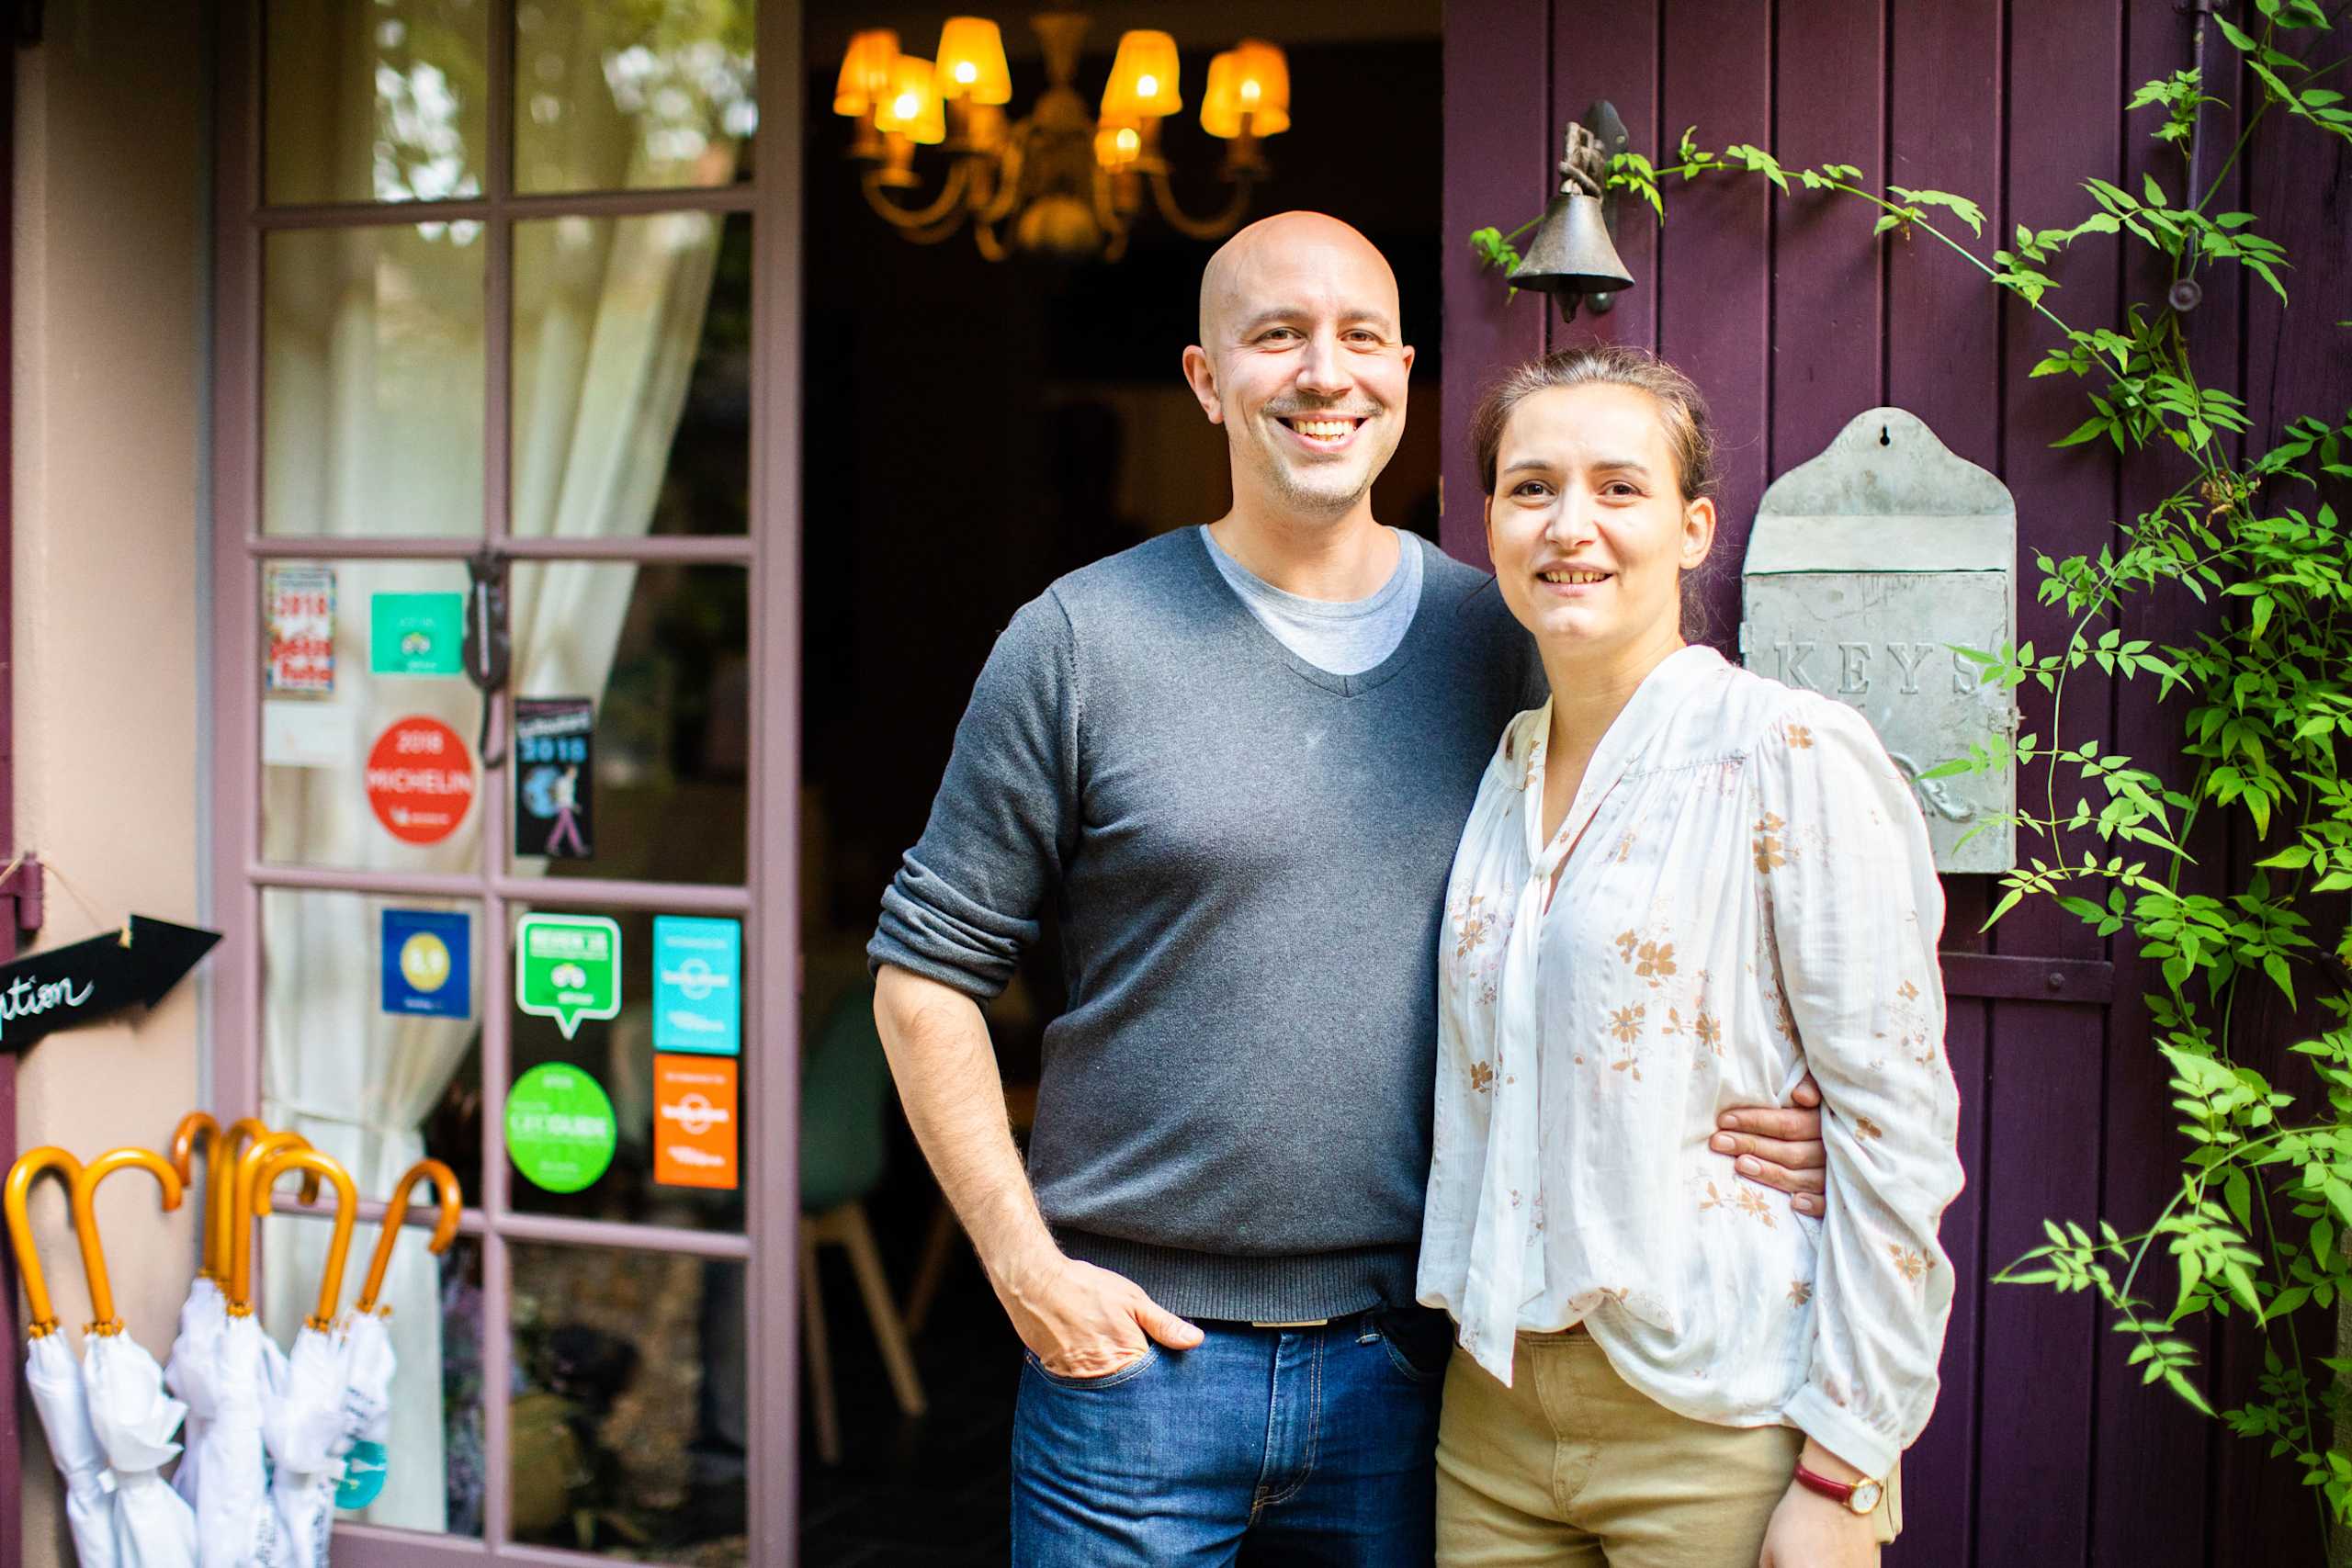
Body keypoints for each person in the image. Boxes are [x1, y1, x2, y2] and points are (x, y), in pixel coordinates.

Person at [868, 212, 1829, 1565]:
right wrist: (1026, 1271)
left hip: (1416, 1370)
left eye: (1359, 337)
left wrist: (1799, 1111)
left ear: (1402, 373)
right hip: (1134, 1372)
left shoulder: (1507, 646)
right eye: (1277, 337)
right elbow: (925, 976)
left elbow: (1687, 899)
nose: (1327, 372)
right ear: (1207, 380)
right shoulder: (1080, 643)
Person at [1418, 346, 1964, 1567]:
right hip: (1493, 1419)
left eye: (1620, 488)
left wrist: (1843, 1469)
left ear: (1693, 527)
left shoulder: (1791, 752)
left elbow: (1897, 1129)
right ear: (1491, 523)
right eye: (1530, 488)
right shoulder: (1503, 767)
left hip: (1722, 1408)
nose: (1572, 525)